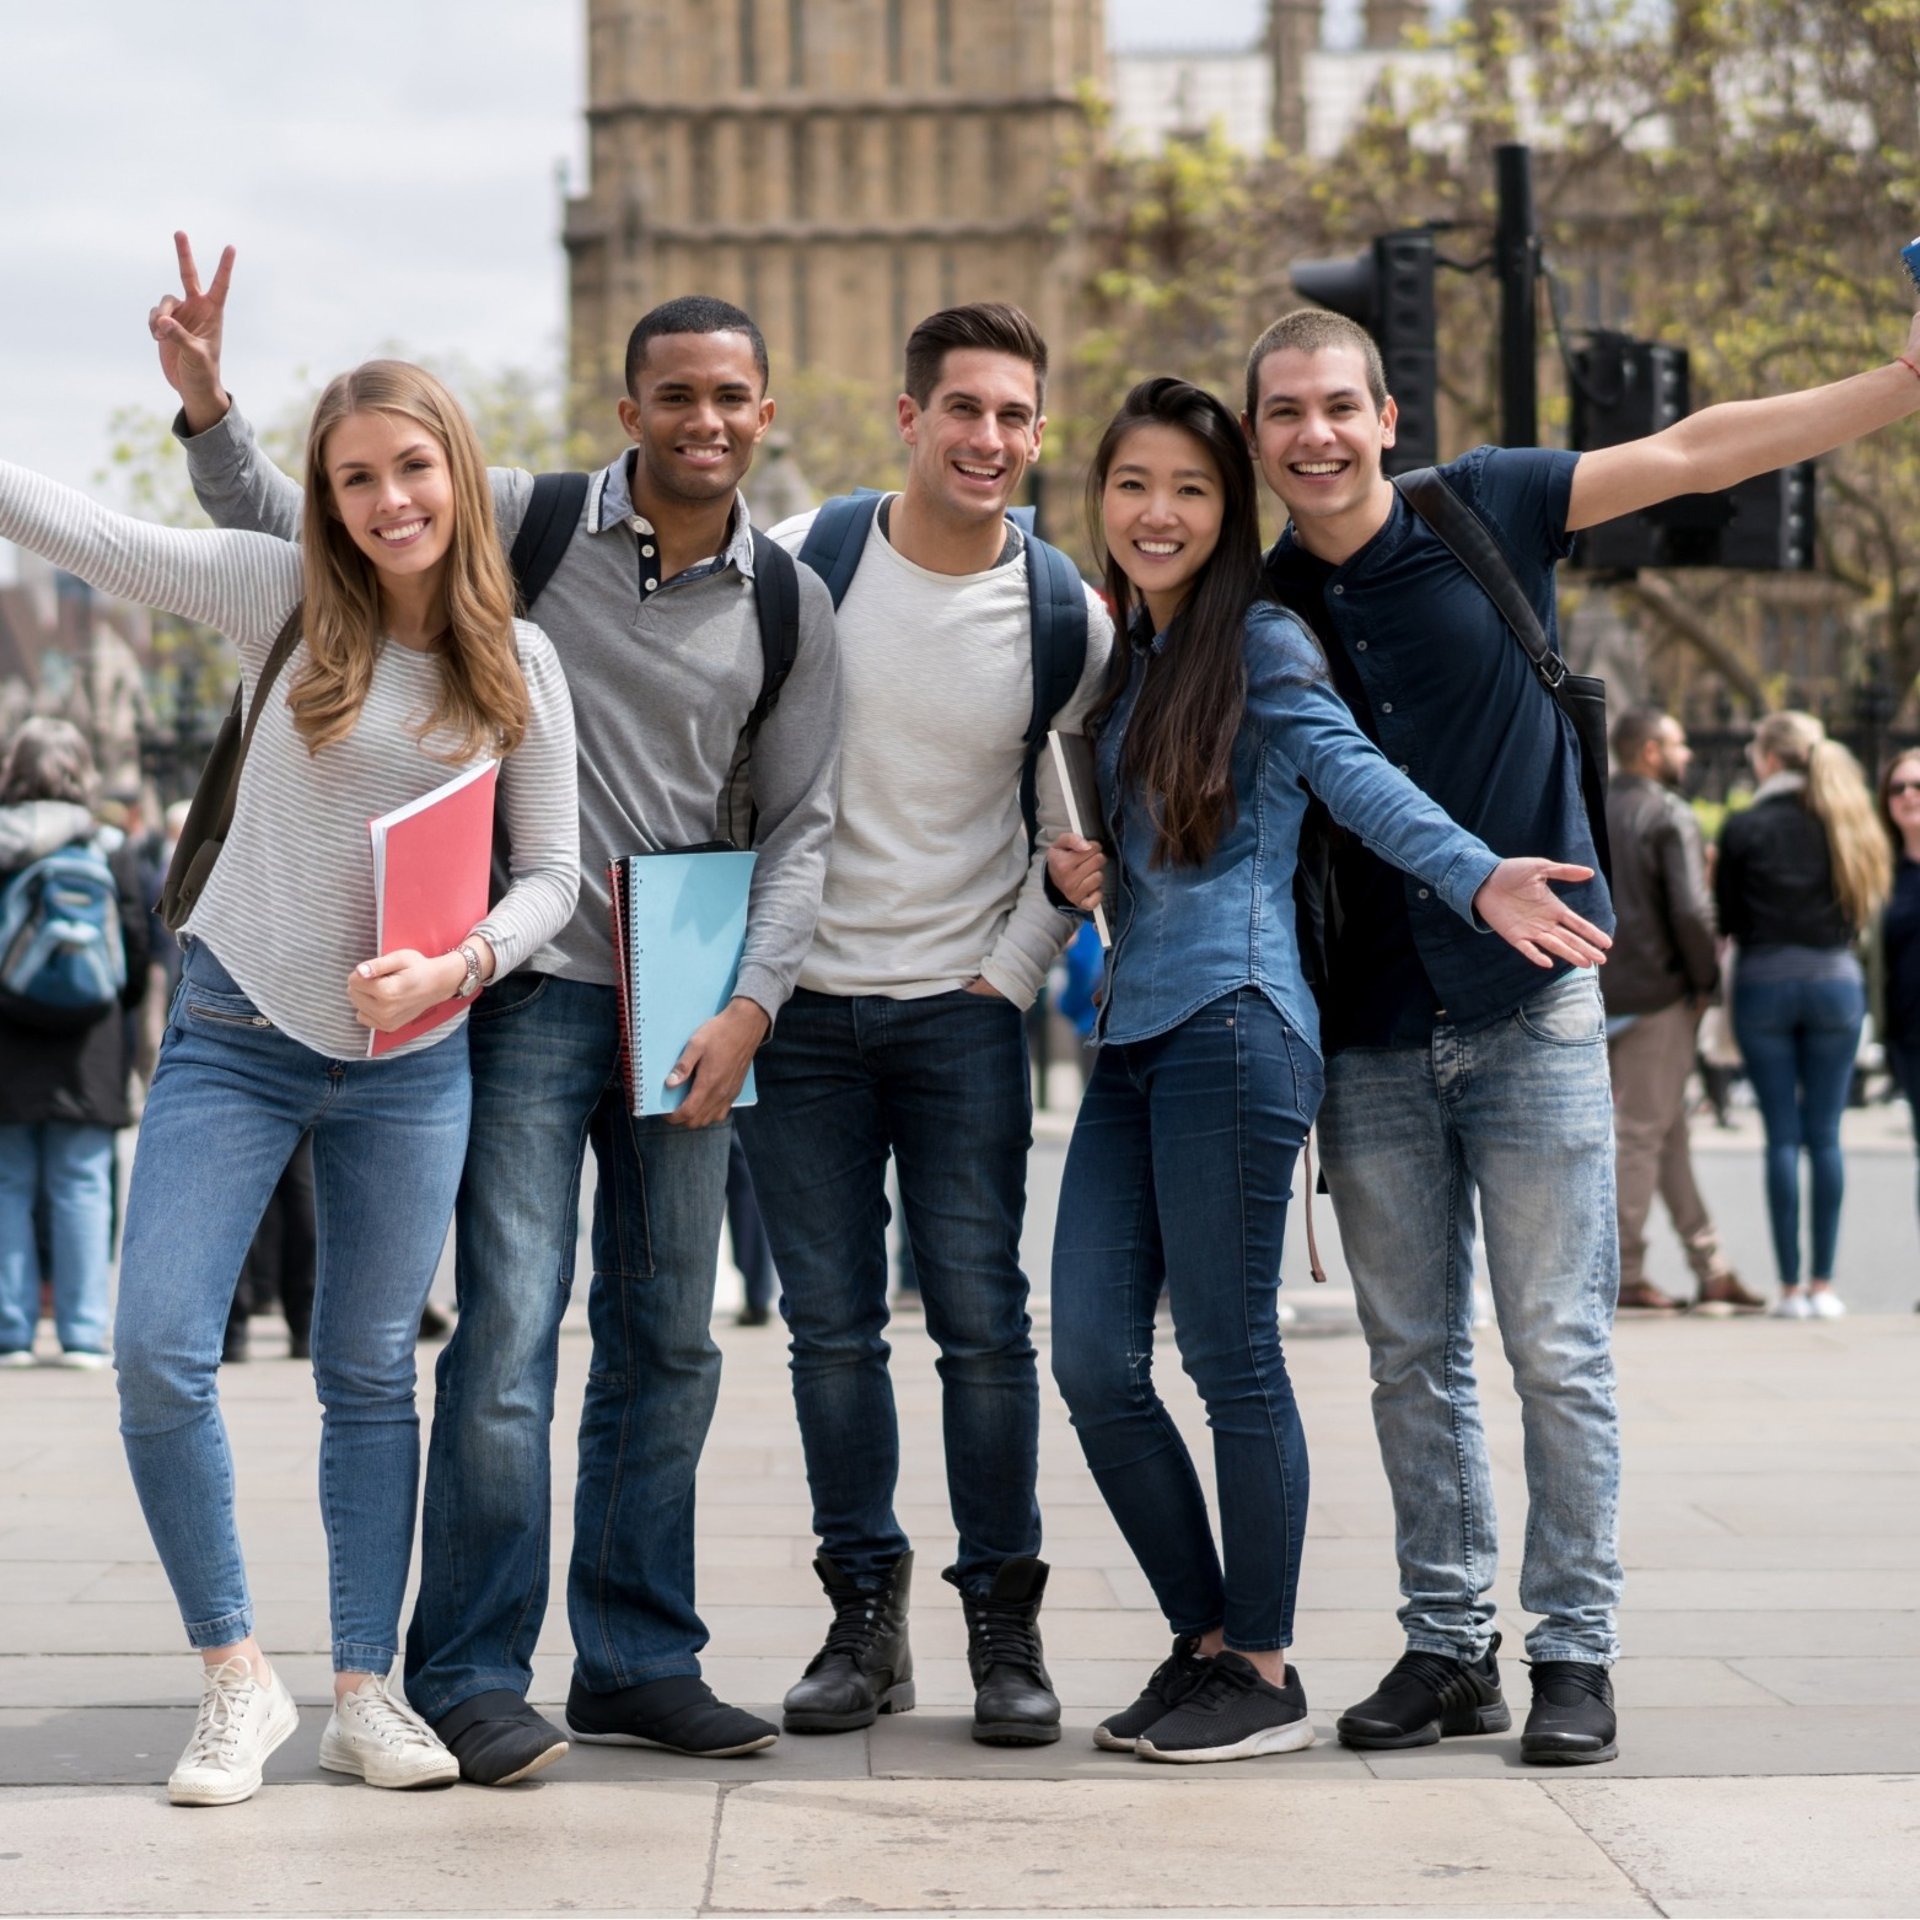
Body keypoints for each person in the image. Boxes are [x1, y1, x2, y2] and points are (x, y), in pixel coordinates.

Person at [157, 238, 840, 1781]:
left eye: (731, 396)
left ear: (765, 410)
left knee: (670, 1339)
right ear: (629, 409)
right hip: (519, 983)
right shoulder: (524, 523)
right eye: (675, 395)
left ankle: (639, 1659)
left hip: (683, 987)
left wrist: (751, 1001)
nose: (705, 420)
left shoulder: (790, 602)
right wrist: (209, 416)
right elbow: (305, 528)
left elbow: (803, 827)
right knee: (510, 1336)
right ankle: (468, 1672)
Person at [1247, 295, 1920, 1767]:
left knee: (1557, 1348)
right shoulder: (1264, 605)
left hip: (1535, 1006)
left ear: (1386, 419)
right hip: (1369, 1024)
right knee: (1410, 1357)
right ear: (1258, 437)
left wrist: (1900, 379)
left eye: (1339, 405)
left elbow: (1694, 452)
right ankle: (1450, 1649)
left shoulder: (1483, 503)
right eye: (1284, 412)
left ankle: (1573, 1652)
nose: (1316, 434)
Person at [3, 352, 580, 1805]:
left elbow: (555, 877)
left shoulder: (520, 660)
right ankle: (234, 1677)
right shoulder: (282, 595)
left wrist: (460, 968)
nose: (390, 500)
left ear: (457, 473)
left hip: (412, 1061)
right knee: (155, 1350)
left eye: (412, 467)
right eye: (355, 477)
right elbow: (89, 533)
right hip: (234, 1034)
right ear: (324, 498)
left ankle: (365, 1694)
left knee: (371, 1374)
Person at [1045, 377, 1609, 1764]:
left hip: (1236, 1020)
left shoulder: (1261, 638)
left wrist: (1477, 874)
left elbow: (1357, 776)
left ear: (1228, 507)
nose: (1158, 513)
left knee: (1235, 1358)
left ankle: (1264, 1664)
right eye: (1133, 485)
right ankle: (1205, 1640)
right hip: (1131, 1030)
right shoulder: (1129, 656)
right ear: (1100, 501)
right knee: (1094, 1358)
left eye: (1189, 488)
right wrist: (1079, 869)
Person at [740, 303, 1113, 1747]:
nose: (989, 439)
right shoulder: (806, 564)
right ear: (909, 418)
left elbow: (1078, 838)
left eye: (1015, 416)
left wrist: (1006, 977)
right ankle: (865, 1621)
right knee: (829, 1334)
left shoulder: (1065, 617)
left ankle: (1004, 1630)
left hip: (962, 1019)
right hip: (802, 1017)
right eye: (964, 409)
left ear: (1038, 432)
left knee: (982, 1332)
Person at [1717, 713, 1888, 1318]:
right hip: (1834, 983)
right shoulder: (1846, 819)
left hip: (1763, 981)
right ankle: (1823, 1286)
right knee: (1826, 1136)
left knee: (1782, 1138)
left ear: (1768, 759)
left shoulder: (1743, 826)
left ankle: (1789, 1290)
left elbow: (1727, 917)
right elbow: (1863, 914)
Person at [0, 719, 150, 1368]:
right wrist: (111, 1006)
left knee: (7, 1182)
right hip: (90, 1038)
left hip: (7, 1034)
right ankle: (84, 1333)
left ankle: (10, 1333)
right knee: (83, 1184)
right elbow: (137, 951)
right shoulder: (109, 846)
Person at [1603, 708, 1760, 1313]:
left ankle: (1710, 1266)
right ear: (1649, 750)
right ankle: (1624, 1272)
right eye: (1678, 743)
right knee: (1644, 1135)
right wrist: (1704, 983)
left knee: (1668, 1133)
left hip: (1596, 990)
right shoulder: (1669, 813)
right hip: (1657, 994)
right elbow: (1693, 911)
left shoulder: (1592, 803)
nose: (1688, 754)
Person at [1874, 747, 1920, 1310]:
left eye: (1917, 786)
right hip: (1910, 1036)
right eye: (1898, 788)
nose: (1908, 795)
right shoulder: (1882, 871)